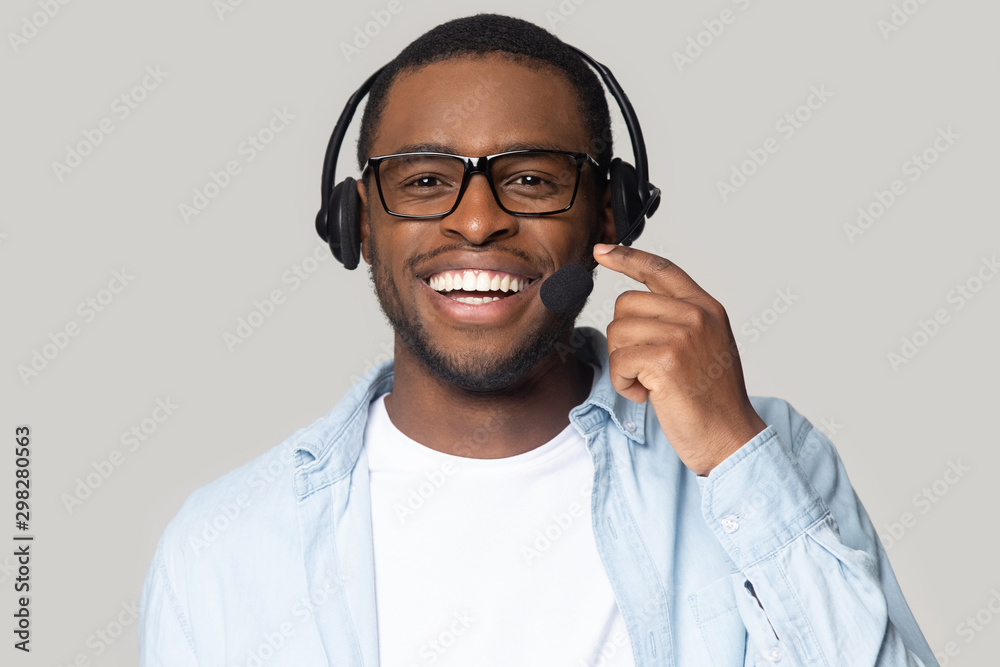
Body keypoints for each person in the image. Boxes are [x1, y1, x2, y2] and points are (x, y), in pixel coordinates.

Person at [138, 13, 937, 667]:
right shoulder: (222, 544)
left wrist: (733, 451)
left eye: (531, 179)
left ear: (611, 211)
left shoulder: (769, 458)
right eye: (423, 181)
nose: (478, 220)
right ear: (357, 224)